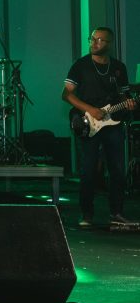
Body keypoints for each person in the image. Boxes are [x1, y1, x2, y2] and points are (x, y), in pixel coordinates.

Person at [62, 27, 136, 227]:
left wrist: (129, 102)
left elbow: (125, 95)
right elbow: (66, 94)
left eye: (99, 40)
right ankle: (87, 214)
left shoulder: (118, 68)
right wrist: (91, 109)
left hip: (113, 122)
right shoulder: (80, 66)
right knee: (88, 170)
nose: (94, 43)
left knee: (117, 170)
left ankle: (117, 213)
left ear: (109, 44)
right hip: (88, 122)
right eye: (92, 39)